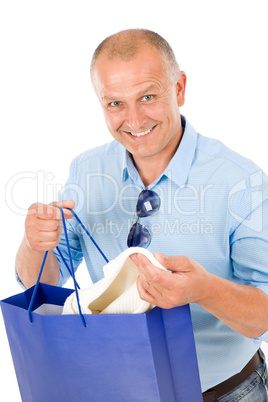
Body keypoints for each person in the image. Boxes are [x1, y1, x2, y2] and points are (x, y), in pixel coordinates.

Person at [15, 29, 268, 400]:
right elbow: (45, 282)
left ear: (179, 88)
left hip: (226, 393)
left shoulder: (240, 180)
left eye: (147, 97)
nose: (133, 120)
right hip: (119, 388)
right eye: (115, 104)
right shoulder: (86, 169)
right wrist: (34, 243)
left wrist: (203, 289)